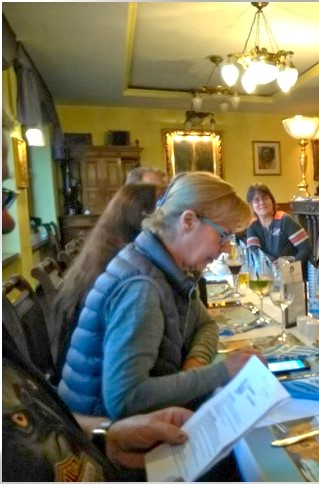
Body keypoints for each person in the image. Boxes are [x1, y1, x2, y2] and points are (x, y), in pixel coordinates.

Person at [2, 127, 193, 481]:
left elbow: (40, 422)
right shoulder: (135, 281)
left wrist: (106, 436)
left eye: (5, 198)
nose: (8, 221)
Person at [58, 172, 259, 419]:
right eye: (223, 236)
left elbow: (205, 324)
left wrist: (193, 366)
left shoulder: (163, 266)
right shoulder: (141, 288)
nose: (227, 249)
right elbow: (126, 398)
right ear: (188, 221)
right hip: (101, 443)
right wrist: (222, 372)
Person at [52, 183, 161, 378]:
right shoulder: (128, 273)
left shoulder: (101, 254)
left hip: (75, 379)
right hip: (92, 390)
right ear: (145, 221)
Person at [246, 183, 312, 263]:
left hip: (293, 271)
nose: (262, 202)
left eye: (265, 198)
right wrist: (272, 263)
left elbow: (306, 248)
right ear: (251, 205)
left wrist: (289, 265)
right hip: (268, 272)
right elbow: (254, 251)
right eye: (256, 200)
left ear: (272, 200)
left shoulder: (284, 220)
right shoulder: (252, 225)